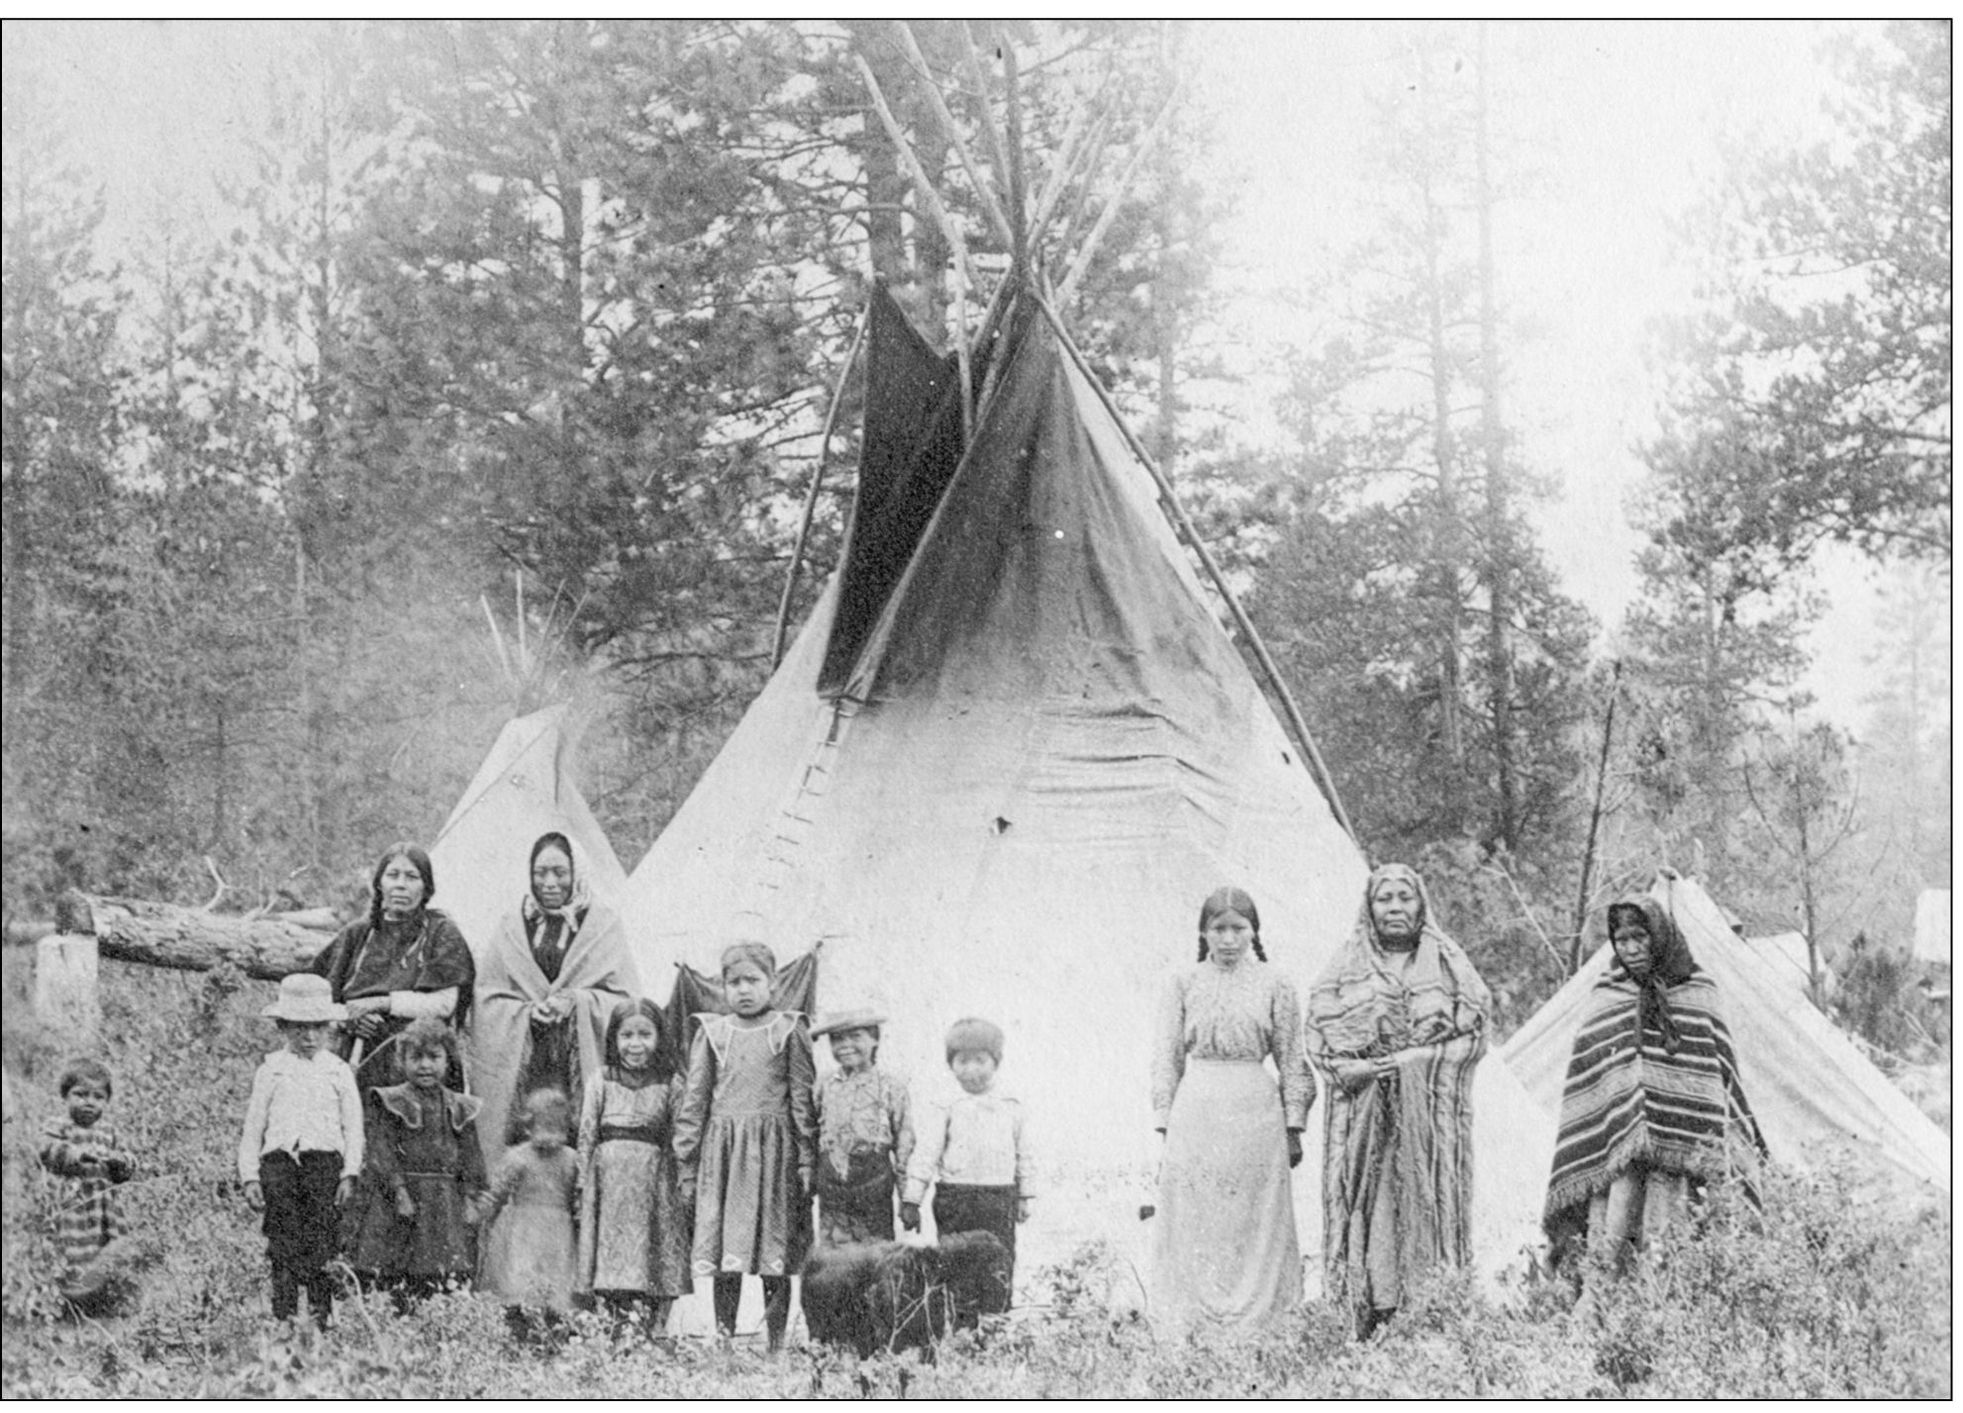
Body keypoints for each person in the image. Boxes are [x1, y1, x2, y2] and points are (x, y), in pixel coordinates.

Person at [1305, 864, 1489, 1339]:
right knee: (1376, 1212)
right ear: (1370, 908)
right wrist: (1367, 1069)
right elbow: (1321, 1039)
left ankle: (1433, 1311)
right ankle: (1372, 1315)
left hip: (1427, 1123)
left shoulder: (1448, 963)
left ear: (1420, 904)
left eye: (1404, 898)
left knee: (1430, 1202)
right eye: (1384, 899)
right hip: (1367, 1124)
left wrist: (1415, 1062)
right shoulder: (1345, 965)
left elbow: (1474, 1034)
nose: (1394, 908)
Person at [1544, 890, 1765, 1277]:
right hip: (1618, 1164)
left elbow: (1719, 1081)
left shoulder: (1698, 993)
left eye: (1639, 937)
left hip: (1683, 1164)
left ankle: (1671, 1308)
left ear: (1658, 936)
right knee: (1612, 1245)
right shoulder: (1606, 997)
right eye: (1621, 940)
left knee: (1673, 1247)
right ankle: (1606, 1310)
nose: (1630, 949)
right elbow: (1589, 1081)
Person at [1148, 886, 1313, 1335]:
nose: (1228, 940)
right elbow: (1167, 1057)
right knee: (1198, 1210)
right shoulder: (1182, 982)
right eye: (1218, 929)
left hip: (1255, 1110)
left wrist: (1293, 1123)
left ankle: (1260, 1324)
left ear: (1254, 932)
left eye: (1238, 929)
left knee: (1254, 1215)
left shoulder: (1276, 983)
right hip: (1197, 1107)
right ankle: (1193, 1321)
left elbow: (1292, 1057)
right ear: (1203, 933)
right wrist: (1165, 1124)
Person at [673, 942, 817, 1352]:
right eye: (733, 982)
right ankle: (722, 1339)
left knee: (776, 1252)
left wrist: (806, 1157)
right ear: (722, 987)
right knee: (726, 1256)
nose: (743, 990)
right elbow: (695, 1099)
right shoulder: (712, 1032)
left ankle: (775, 1345)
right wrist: (687, 1163)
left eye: (753, 980)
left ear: (773, 984)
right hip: (724, 1158)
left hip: (774, 1156)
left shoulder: (789, 1029)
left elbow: (802, 1098)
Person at [471, 832, 634, 1173]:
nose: (549, 882)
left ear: (577, 873)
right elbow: (488, 994)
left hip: (578, 1063)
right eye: (540, 872)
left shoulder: (603, 924)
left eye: (560, 872)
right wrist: (527, 1012)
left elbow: (625, 1000)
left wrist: (577, 1001)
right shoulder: (512, 926)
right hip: (525, 1064)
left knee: (575, 1152)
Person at [238, 973, 365, 1327]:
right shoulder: (272, 1069)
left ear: (329, 1029)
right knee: (283, 1242)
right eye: (298, 1028)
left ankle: (321, 1318)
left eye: (317, 1028)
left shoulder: (338, 1072)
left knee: (322, 1241)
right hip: (279, 1167)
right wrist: (250, 1176)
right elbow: (254, 1127)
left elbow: (353, 1128)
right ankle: (285, 1318)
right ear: (283, 1027)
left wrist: (349, 1172)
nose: (308, 1037)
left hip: (323, 1167)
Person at [309, 843, 475, 1092]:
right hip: (355, 1057)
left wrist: (381, 1003)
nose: (401, 885)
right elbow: (317, 997)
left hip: (421, 1061)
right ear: (379, 883)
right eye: (393, 875)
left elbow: (444, 1003)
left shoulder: (441, 932)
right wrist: (348, 1020)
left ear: (426, 887)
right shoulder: (357, 934)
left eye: (411, 877)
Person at [347, 1017, 489, 1305]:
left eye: (434, 1057)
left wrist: (472, 1197)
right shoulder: (391, 1101)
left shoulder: (459, 1105)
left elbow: (470, 1154)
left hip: (444, 1200)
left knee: (443, 1269)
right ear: (401, 1061)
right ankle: (399, 1313)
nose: (425, 1065)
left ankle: (438, 1318)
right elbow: (382, 1149)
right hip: (403, 1197)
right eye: (416, 1057)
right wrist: (398, 1190)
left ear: (448, 1061)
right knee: (398, 1264)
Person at [902, 1016, 1032, 1323]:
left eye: (980, 1060)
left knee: (998, 1260)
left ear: (995, 1062)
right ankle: (962, 1327)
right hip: (956, 1198)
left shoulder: (1011, 1104)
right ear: (951, 1064)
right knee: (955, 1261)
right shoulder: (945, 1104)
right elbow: (927, 1153)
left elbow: (1024, 1153)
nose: (971, 1069)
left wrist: (1025, 1195)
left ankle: (996, 1324)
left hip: (999, 1197)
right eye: (962, 1061)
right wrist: (912, 1199)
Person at [577, 997, 690, 1338]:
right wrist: (582, 1183)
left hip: (654, 1184)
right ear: (614, 1039)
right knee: (611, 1257)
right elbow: (586, 1133)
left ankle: (650, 1331)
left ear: (659, 1038)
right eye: (626, 1035)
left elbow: (681, 1137)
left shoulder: (671, 1083)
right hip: (608, 1184)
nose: (635, 1044)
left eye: (645, 1034)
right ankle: (612, 1328)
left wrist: (681, 1185)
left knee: (652, 1256)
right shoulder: (601, 1080)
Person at [38, 1059, 141, 1314]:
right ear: (65, 1096)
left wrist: (121, 1162)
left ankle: (101, 1299)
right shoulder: (58, 1126)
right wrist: (77, 1154)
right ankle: (63, 1302)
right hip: (71, 1204)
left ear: (106, 1101)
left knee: (107, 1250)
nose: (89, 1102)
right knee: (72, 1251)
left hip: (102, 1208)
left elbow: (127, 1164)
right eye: (80, 1094)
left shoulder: (109, 1131)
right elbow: (47, 1150)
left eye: (98, 1096)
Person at [479, 1087, 581, 1345]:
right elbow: (498, 1191)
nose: (548, 1134)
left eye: (556, 1126)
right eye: (542, 1125)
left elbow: (578, 1196)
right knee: (520, 1281)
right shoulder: (518, 1157)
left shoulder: (572, 1159)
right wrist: (487, 1214)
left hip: (559, 1232)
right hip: (523, 1231)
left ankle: (553, 1337)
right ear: (528, 1126)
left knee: (556, 1284)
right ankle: (519, 1337)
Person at [811, 1007, 914, 1246]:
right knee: (835, 1258)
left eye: (856, 1036)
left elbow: (904, 1141)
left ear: (875, 1039)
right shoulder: (825, 1084)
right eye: (837, 1039)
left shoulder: (891, 1086)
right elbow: (810, 1129)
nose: (845, 1045)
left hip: (874, 1180)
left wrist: (907, 1197)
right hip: (832, 1181)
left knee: (875, 1253)